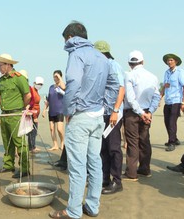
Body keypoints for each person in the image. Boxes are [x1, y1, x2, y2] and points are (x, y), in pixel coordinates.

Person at [49, 21, 119, 219]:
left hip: (80, 116)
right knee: (95, 161)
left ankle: (73, 211)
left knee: (77, 166)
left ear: (70, 38)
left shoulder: (76, 54)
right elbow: (114, 84)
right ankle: (93, 206)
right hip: (97, 116)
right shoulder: (102, 57)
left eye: (65, 40)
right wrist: (104, 105)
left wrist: (68, 110)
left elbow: (73, 82)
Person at [0, 53, 31, 179]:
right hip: (4, 115)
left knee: (20, 142)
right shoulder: (1, 80)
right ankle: (8, 165)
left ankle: (24, 169)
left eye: (0, 65)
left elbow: (27, 95)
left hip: (16, 114)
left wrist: (22, 108)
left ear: (8, 65)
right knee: (7, 141)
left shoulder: (19, 78)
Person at [123, 50, 161, 181]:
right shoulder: (153, 77)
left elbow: (130, 97)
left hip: (132, 113)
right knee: (145, 141)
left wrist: (140, 112)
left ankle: (131, 173)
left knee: (133, 142)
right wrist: (149, 112)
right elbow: (157, 97)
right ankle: (145, 169)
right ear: (142, 62)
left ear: (129, 63)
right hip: (146, 112)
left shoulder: (129, 75)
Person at [94, 40, 125, 195]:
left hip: (113, 114)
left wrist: (115, 110)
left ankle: (117, 181)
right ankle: (105, 178)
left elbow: (121, 88)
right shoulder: (103, 66)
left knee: (113, 147)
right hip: (103, 113)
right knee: (103, 148)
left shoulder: (113, 65)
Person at [160, 53, 184, 151]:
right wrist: (160, 97)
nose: (169, 62)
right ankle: (175, 138)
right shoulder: (166, 73)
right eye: (168, 60)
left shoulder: (180, 72)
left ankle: (172, 142)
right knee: (166, 121)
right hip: (168, 101)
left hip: (176, 100)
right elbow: (164, 86)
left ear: (176, 61)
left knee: (172, 122)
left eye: (171, 60)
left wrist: (183, 102)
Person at [42, 70, 65, 151]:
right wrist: (44, 110)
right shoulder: (51, 87)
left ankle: (62, 142)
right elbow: (48, 99)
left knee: (59, 129)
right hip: (51, 111)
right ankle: (55, 144)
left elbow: (64, 88)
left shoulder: (62, 86)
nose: (55, 78)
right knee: (52, 129)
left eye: (57, 76)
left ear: (60, 77)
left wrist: (60, 78)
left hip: (60, 111)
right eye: (54, 76)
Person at [27, 75, 44, 153]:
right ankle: (32, 147)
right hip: (33, 114)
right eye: (38, 84)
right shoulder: (32, 90)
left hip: (36, 114)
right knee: (32, 132)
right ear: (34, 83)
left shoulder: (36, 91)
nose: (40, 85)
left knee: (34, 131)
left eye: (41, 84)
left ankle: (32, 146)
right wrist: (34, 117)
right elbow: (32, 104)